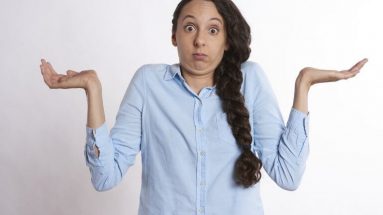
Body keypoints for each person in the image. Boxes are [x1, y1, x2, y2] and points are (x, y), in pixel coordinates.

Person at [40, 0, 368, 214]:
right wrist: (92, 89)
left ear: (226, 40)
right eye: (189, 27)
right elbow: (104, 177)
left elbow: (288, 175)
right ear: (174, 36)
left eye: (213, 30)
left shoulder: (250, 80)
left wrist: (303, 86)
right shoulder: (148, 83)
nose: (200, 40)